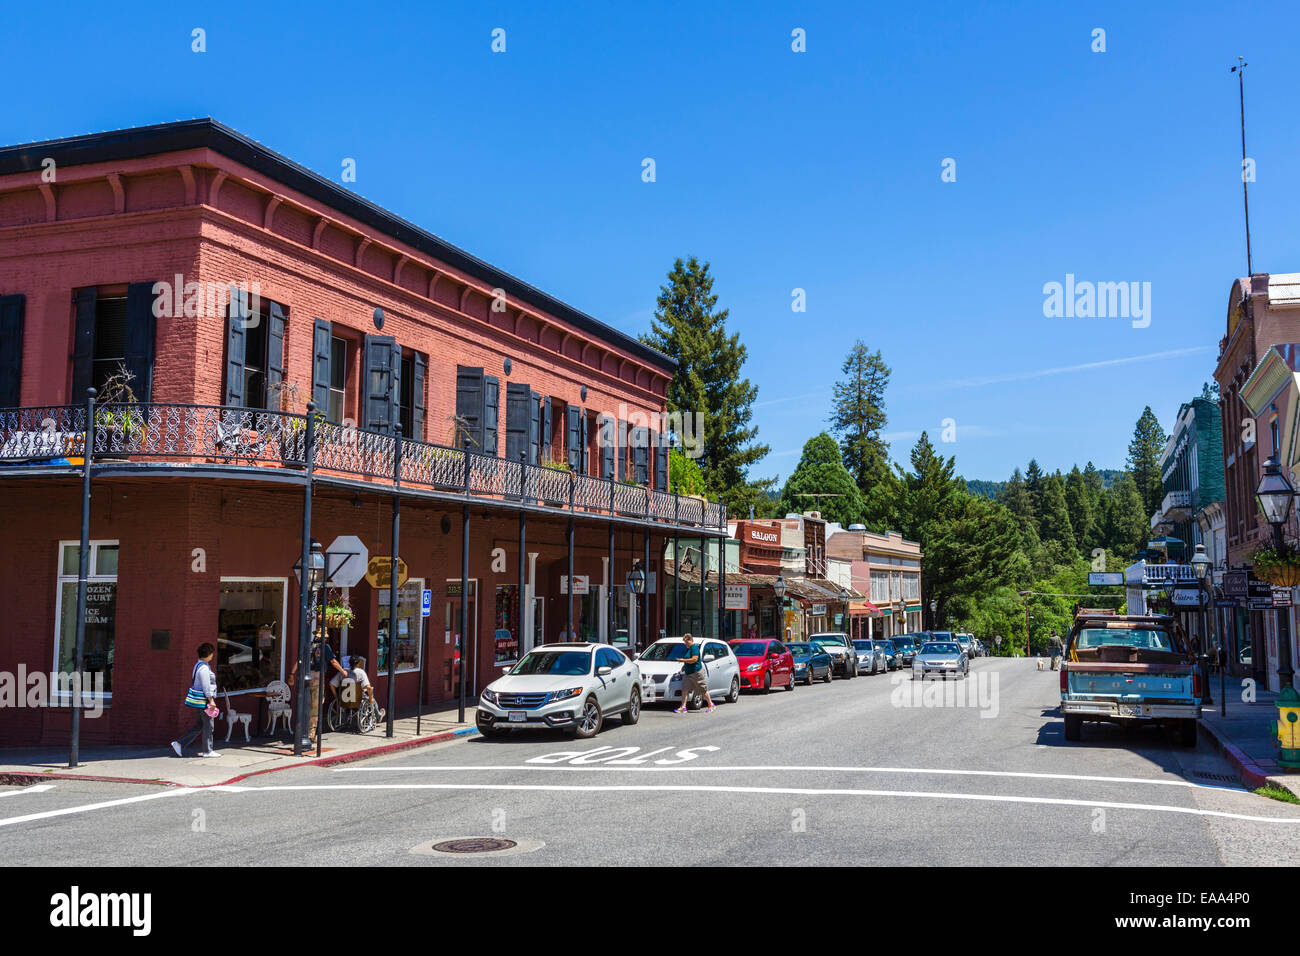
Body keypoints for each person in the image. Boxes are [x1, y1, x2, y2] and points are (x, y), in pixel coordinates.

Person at [290, 633, 349, 747]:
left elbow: (299, 660)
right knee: (315, 705)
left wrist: (292, 673)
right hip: (317, 677)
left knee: (305, 704)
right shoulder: (325, 647)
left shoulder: (308, 645)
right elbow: (333, 662)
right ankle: (311, 734)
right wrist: (343, 672)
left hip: (305, 676)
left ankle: (302, 731)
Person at [171, 643, 219, 757]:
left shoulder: (198, 665)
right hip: (204, 701)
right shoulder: (203, 668)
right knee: (208, 725)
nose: (213, 655)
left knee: (200, 725)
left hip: (199, 701)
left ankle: (179, 743)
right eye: (212, 653)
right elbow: (206, 686)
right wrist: (211, 700)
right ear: (208, 654)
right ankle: (207, 751)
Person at [674, 633, 714, 714]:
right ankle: (683, 707)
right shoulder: (688, 649)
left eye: (686, 642)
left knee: (702, 690)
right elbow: (687, 659)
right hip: (688, 673)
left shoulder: (694, 648)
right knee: (685, 689)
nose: (685, 644)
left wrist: (683, 660)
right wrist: (684, 666)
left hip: (696, 672)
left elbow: (694, 659)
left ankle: (711, 704)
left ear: (690, 640)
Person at [341, 655, 386, 721]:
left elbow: (332, 683)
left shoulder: (344, 672)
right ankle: (378, 715)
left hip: (345, 697)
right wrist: (371, 698)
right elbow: (368, 687)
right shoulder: (361, 672)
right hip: (357, 697)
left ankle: (345, 715)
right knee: (372, 697)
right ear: (358, 664)